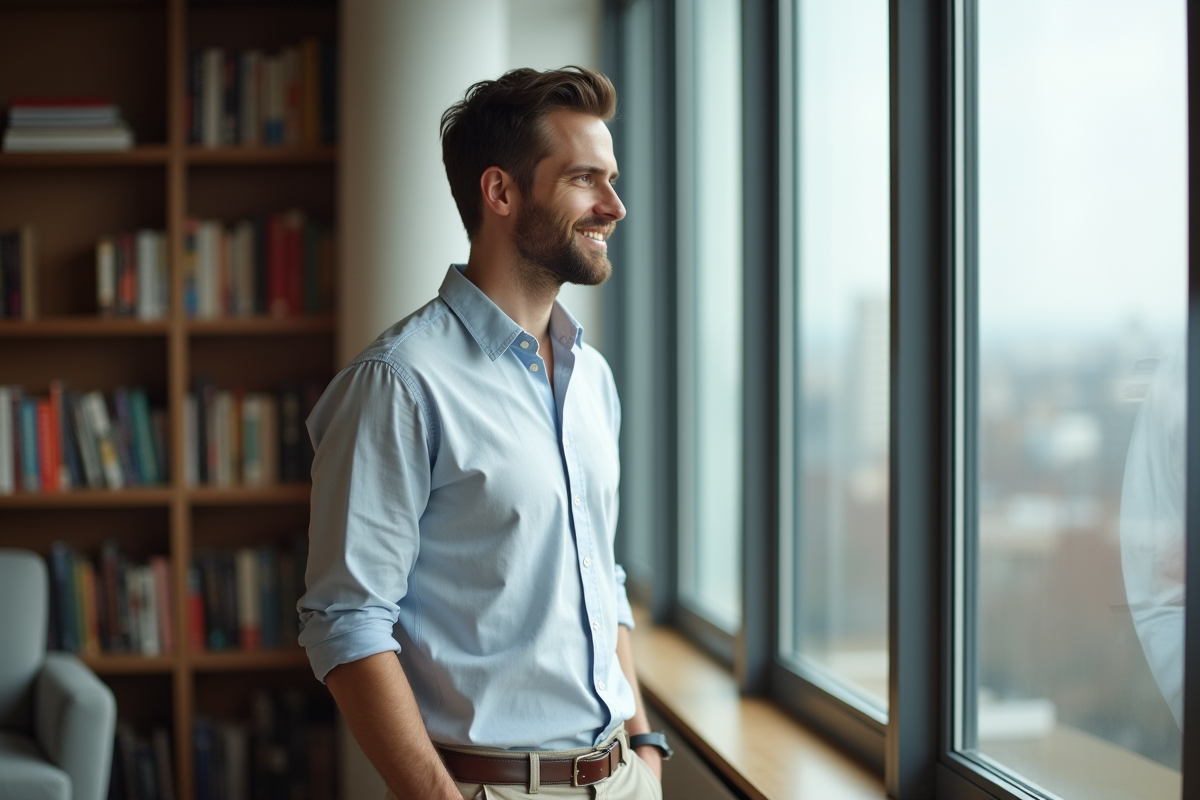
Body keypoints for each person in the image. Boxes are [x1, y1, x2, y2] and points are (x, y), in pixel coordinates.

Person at [297, 66, 671, 799]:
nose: (615, 206)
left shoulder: (592, 378)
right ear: (500, 192)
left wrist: (643, 746)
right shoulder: (399, 382)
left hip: (624, 778)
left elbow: (602, 575)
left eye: (613, 178)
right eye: (585, 180)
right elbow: (346, 624)